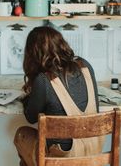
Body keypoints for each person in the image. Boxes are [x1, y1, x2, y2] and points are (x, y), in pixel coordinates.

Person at [14, 26, 103, 166]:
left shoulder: (43, 80)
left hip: (61, 159)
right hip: (92, 153)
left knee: (21, 134)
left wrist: (29, 97)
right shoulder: (85, 65)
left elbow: (30, 117)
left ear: (33, 54)